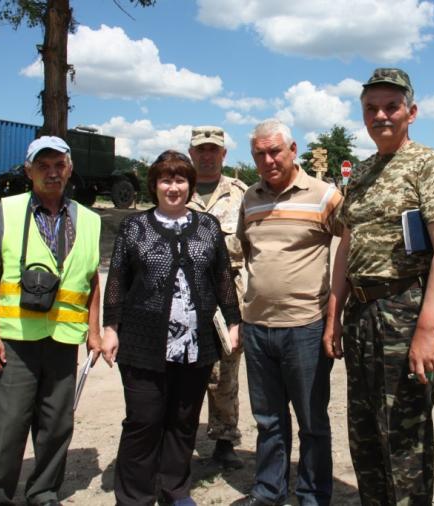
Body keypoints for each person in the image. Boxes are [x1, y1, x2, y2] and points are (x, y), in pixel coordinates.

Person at [324, 68, 434, 505]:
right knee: (364, 435)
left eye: (390, 106)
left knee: (404, 437)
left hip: (405, 310)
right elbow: (346, 245)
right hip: (361, 315)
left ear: (411, 112)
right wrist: (334, 313)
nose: (380, 115)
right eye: (371, 108)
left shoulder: (428, 164)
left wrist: (427, 329)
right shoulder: (361, 172)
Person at [101, 150, 241, 506]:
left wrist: (234, 321)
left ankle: (175, 489)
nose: (173, 187)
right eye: (166, 179)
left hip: (196, 345)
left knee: (183, 420)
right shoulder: (136, 227)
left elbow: (222, 277)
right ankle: (134, 497)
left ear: (190, 186)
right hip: (143, 343)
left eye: (180, 179)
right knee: (143, 421)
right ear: (154, 185)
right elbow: (117, 280)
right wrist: (111, 328)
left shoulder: (207, 227)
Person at [0, 136, 102, 506]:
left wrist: (93, 333)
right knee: (8, 427)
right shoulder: (9, 210)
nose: (52, 172)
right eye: (42, 166)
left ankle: (43, 492)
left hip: (64, 340)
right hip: (15, 341)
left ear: (70, 169)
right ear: (29, 171)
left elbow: (92, 279)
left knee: (56, 426)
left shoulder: (90, 220)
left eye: (58, 165)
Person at [234, 119, 343, 506]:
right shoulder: (250, 197)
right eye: (259, 154)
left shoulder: (324, 195)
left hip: (306, 329)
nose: (268, 160)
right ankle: (269, 493)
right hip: (258, 328)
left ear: (293, 150)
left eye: (275, 151)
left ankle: (313, 496)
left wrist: (335, 317)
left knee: (312, 423)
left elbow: (350, 246)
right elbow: (246, 252)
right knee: (268, 421)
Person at [186, 125, 247, 470]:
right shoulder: (178, 189)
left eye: (213, 150)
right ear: (192, 153)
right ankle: (181, 436)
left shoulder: (240, 194)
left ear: (223, 154)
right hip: (186, 293)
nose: (207, 156)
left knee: (227, 368)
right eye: (201, 150)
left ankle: (225, 439)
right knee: (187, 364)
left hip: (229, 292)